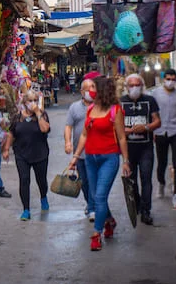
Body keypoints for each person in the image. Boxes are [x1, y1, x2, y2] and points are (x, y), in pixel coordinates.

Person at [68, 76, 131, 251]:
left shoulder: (115, 110)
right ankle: (109, 221)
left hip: (109, 158)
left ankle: (97, 234)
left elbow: (121, 137)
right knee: (95, 197)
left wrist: (126, 161)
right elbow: (84, 135)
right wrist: (75, 156)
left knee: (100, 196)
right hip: (90, 158)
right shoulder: (90, 109)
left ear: (102, 90)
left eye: (94, 87)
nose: (90, 91)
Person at [3, 90, 50, 221]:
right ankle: (26, 209)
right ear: (24, 103)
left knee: (41, 180)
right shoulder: (17, 117)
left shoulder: (42, 115)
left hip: (40, 153)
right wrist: (6, 149)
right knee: (24, 180)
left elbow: (44, 129)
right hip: (22, 154)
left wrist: (38, 113)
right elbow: (11, 133)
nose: (32, 103)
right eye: (30, 101)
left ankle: (43, 196)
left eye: (35, 100)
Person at [120, 73, 161, 225]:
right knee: (132, 180)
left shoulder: (150, 101)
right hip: (129, 150)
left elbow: (157, 122)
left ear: (142, 87)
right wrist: (127, 130)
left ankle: (146, 211)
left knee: (146, 179)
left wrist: (145, 127)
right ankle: (137, 204)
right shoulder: (121, 103)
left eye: (137, 85)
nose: (135, 88)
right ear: (126, 87)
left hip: (146, 148)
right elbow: (115, 127)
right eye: (131, 85)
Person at [150, 69, 176, 207]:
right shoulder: (155, 93)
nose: (170, 81)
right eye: (168, 78)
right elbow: (152, 113)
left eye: (173, 79)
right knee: (162, 162)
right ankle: (161, 183)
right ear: (163, 79)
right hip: (160, 131)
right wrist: (152, 130)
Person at [65, 79, 96, 221]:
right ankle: (91, 204)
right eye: (87, 89)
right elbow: (68, 126)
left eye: (93, 88)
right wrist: (67, 142)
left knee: (93, 180)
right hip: (80, 153)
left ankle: (93, 208)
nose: (90, 91)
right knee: (84, 181)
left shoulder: (100, 106)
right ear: (82, 92)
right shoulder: (74, 107)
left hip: (96, 151)